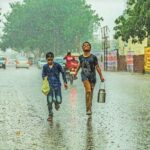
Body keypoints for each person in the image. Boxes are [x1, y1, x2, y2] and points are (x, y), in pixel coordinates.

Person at [75, 42, 104, 115]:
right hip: (84, 76)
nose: (86, 46)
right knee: (88, 91)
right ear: (82, 48)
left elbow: (97, 67)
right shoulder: (81, 57)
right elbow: (79, 65)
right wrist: (75, 72)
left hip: (92, 77)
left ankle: (89, 106)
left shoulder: (93, 57)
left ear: (90, 48)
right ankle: (88, 109)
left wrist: (101, 76)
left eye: (87, 45)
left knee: (90, 93)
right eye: (84, 45)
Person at [42, 52, 68, 122]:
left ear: (53, 59)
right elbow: (43, 75)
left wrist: (65, 82)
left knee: (59, 100)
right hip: (49, 87)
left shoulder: (58, 65)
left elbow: (63, 73)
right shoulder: (45, 67)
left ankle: (56, 103)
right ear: (46, 59)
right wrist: (45, 79)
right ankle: (50, 115)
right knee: (49, 101)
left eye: (51, 59)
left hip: (57, 85)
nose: (50, 61)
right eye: (48, 60)